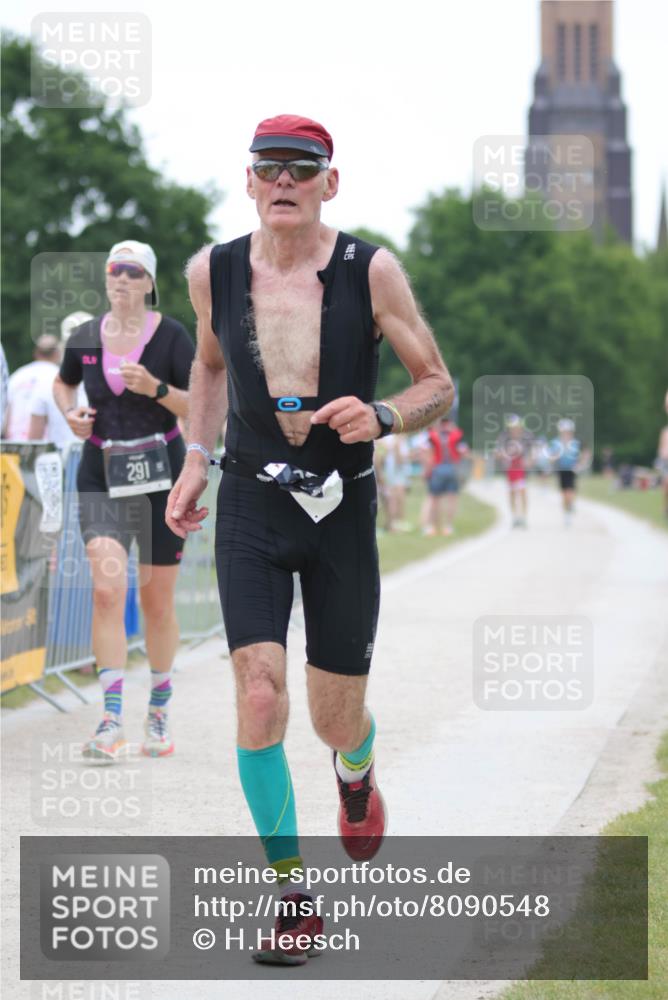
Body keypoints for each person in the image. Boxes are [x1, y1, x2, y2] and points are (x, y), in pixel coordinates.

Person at [165, 114, 454, 965]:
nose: (283, 180)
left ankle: (355, 767)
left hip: (342, 509)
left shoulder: (372, 271)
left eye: (303, 167)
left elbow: (437, 382)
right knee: (258, 696)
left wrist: (388, 415)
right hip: (253, 505)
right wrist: (194, 458)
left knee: (332, 720)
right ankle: (294, 897)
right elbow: (211, 366)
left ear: (331, 182)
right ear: (249, 180)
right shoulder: (211, 272)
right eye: (269, 167)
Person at [53, 240, 195, 761]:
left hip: (161, 472)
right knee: (108, 591)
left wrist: (157, 388)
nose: (121, 278)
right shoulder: (85, 336)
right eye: (115, 269)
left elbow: (197, 402)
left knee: (156, 601)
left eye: (133, 271)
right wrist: (70, 413)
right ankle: (111, 718)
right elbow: (63, 384)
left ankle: (158, 709)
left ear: (149, 282)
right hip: (101, 470)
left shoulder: (172, 336)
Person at [27, 312, 92, 449]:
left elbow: (34, 441)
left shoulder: (46, 381)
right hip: (98, 461)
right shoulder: (110, 379)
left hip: (63, 462)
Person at [4, 334, 62, 440]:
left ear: (36, 353)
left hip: (13, 445)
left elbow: (7, 409)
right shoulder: (60, 378)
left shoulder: (18, 375)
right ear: (57, 353)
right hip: (47, 447)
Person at [420, 415, 468, 536]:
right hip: (452, 467)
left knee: (434, 498)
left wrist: (426, 471)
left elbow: (427, 454)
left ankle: (431, 527)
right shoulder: (456, 435)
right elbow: (463, 452)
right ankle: (448, 526)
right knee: (452, 498)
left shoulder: (432, 436)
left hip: (437, 468)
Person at [495, 414, 534, 528]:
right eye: (512, 428)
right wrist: (502, 454)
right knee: (512, 493)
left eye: (517, 427)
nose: (515, 430)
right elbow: (496, 452)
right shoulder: (503, 437)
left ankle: (523, 517)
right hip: (509, 469)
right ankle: (514, 517)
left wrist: (530, 461)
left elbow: (533, 451)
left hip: (522, 470)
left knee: (522, 492)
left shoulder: (527, 437)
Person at [547, 417, 587, 526]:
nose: (566, 434)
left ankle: (570, 506)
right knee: (564, 494)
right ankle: (566, 513)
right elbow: (551, 456)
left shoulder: (575, 442)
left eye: (568, 432)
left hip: (571, 470)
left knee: (570, 491)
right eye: (564, 432)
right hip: (561, 470)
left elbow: (584, 454)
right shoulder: (556, 442)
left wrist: (580, 465)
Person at [655, 390, 668, 518]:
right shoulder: (665, 432)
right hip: (666, 462)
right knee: (666, 486)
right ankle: (665, 509)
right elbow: (661, 450)